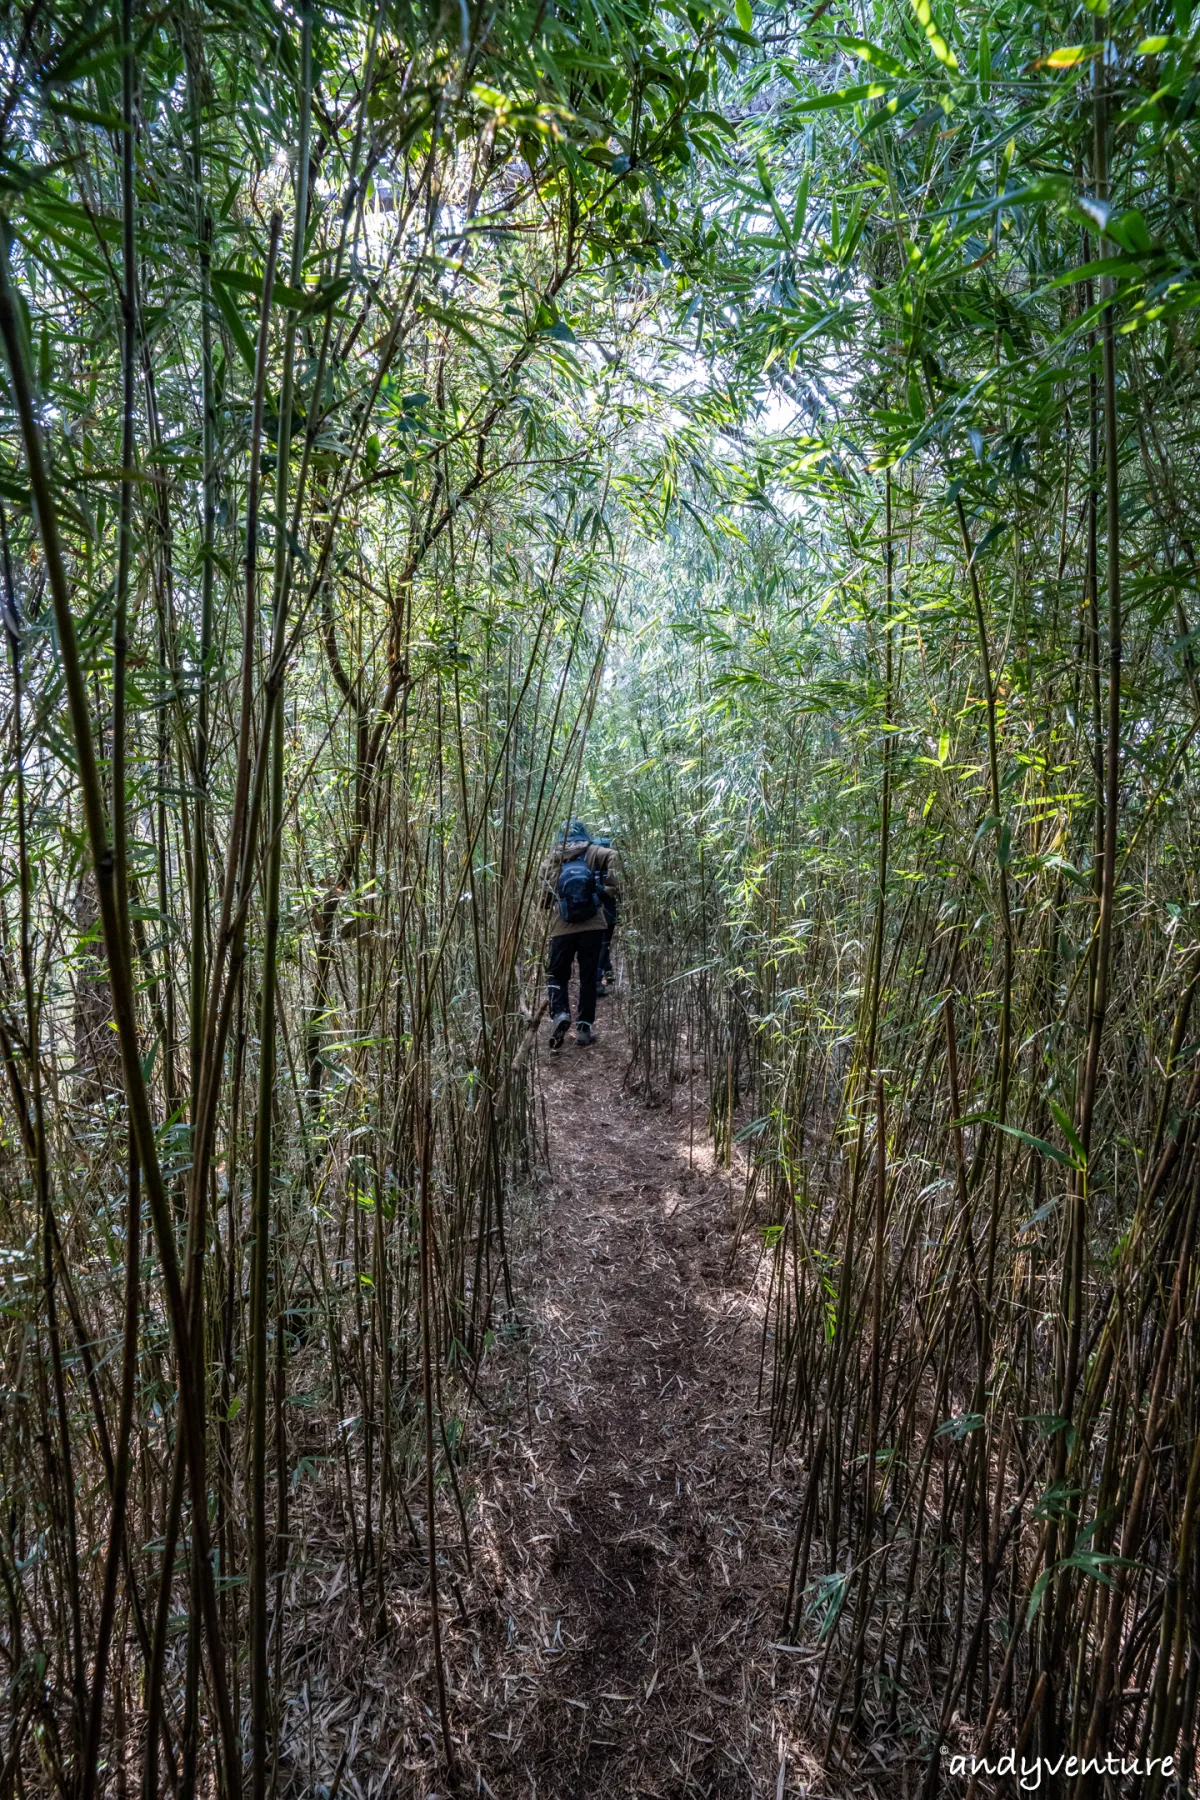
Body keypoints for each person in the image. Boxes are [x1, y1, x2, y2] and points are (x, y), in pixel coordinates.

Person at [540, 821, 619, 1049]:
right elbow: (613, 854)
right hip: (593, 925)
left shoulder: (552, 857)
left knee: (556, 974)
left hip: (561, 928)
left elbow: (544, 900)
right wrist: (606, 890)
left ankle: (561, 1014)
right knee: (588, 977)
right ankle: (584, 1028)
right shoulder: (594, 851)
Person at [592, 833, 618, 996]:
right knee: (604, 944)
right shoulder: (612, 864)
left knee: (601, 944)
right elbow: (615, 888)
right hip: (607, 910)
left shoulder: (589, 863)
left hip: (593, 910)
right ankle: (596, 981)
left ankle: (607, 971)